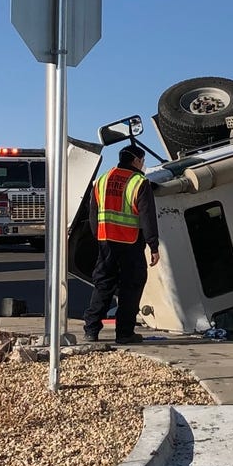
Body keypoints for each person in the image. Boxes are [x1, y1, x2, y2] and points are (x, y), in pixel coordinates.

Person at [82, 144, 160, 344]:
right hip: (130, 241)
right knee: (131, 286)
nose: (143, 165)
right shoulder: (139, 182)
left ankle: (91, 330)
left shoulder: (102, 180)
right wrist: (153, 246)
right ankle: (124, 333)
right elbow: (147, 217)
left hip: (105, 240)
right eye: (142, 161)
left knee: (103, 284)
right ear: (136, 161)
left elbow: (92, 214)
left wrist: (97, 237)